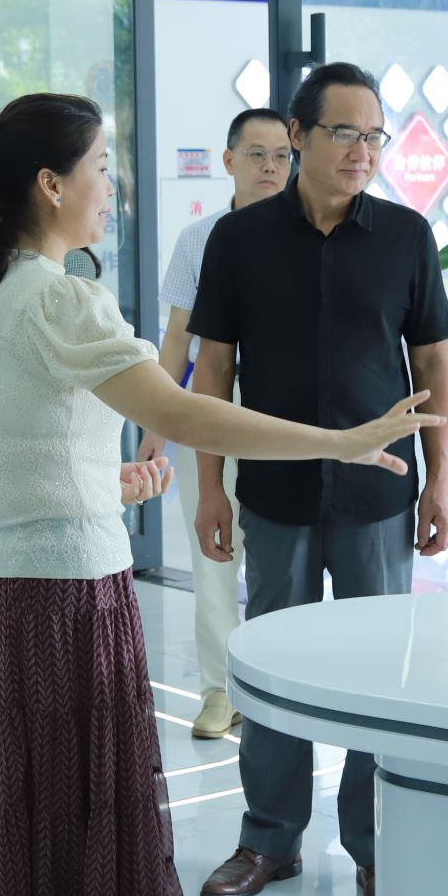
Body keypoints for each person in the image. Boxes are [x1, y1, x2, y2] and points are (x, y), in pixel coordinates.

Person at [0, 92, 440, 896]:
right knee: (67, 840)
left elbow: (5, 455)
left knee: (9, 832)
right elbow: (185, 409)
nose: (112, 189)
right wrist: (340, 438)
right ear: (50, 184)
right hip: (64, 604)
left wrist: (104, 482)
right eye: (101, 169)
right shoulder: (59, 297)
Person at [188, 62, 448, 896]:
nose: (362, 150)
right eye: (345, 132)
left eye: (374, 135)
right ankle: (270, 837)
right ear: (299, 136)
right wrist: (210, 487)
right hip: (273, 492)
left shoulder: (406, 236)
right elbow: (213, 370)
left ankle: (375, 845)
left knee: (380, 672)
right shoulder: (237, 240)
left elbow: (434, 361)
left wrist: (441, 481)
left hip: (379, 497)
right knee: (271, 668)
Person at [134, 107, 291, 738]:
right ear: (228, 161)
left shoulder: (307, 232)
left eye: (281, 155)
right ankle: (219, 691)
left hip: (285, 414)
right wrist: (156, 424)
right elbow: (177, 337)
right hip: (212, 405)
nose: (270, 167)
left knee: (282, 558)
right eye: (256, 154)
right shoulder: (199, 240)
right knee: (214, 555)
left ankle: (276, 688)